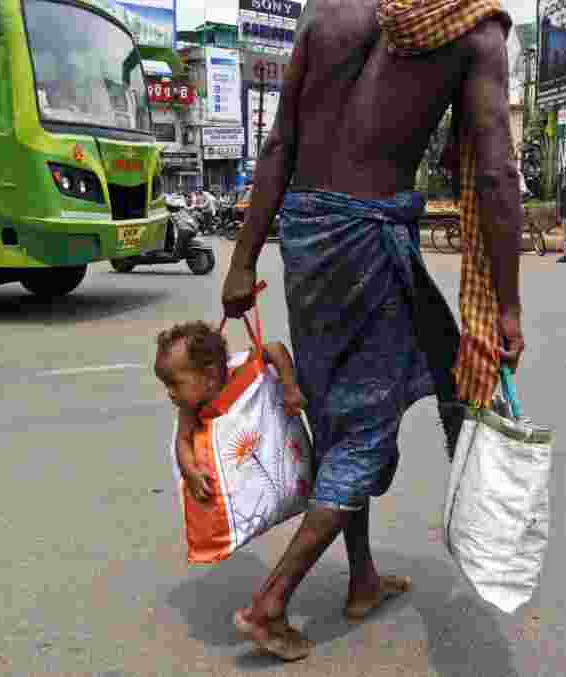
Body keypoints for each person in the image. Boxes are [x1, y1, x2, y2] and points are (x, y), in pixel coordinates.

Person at [221, 0, 524, 661]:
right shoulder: (470, 24)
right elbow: (498, 171)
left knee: (336, 409)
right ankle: (270, 602)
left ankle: (360, 579)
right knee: (364, 430)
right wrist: (507, 305)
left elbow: (280, 142)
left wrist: (243, 258)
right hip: (370, 236)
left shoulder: (325, 9)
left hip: (306, 232)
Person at [154, 322, 306, 503]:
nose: (169, 393)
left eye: (175, 384)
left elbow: (275, 349)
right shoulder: (189, 408)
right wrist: (191, 473)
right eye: (166, 385)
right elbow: (183, 441)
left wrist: (290, 387)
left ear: (209, 375)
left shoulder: (241, 371)